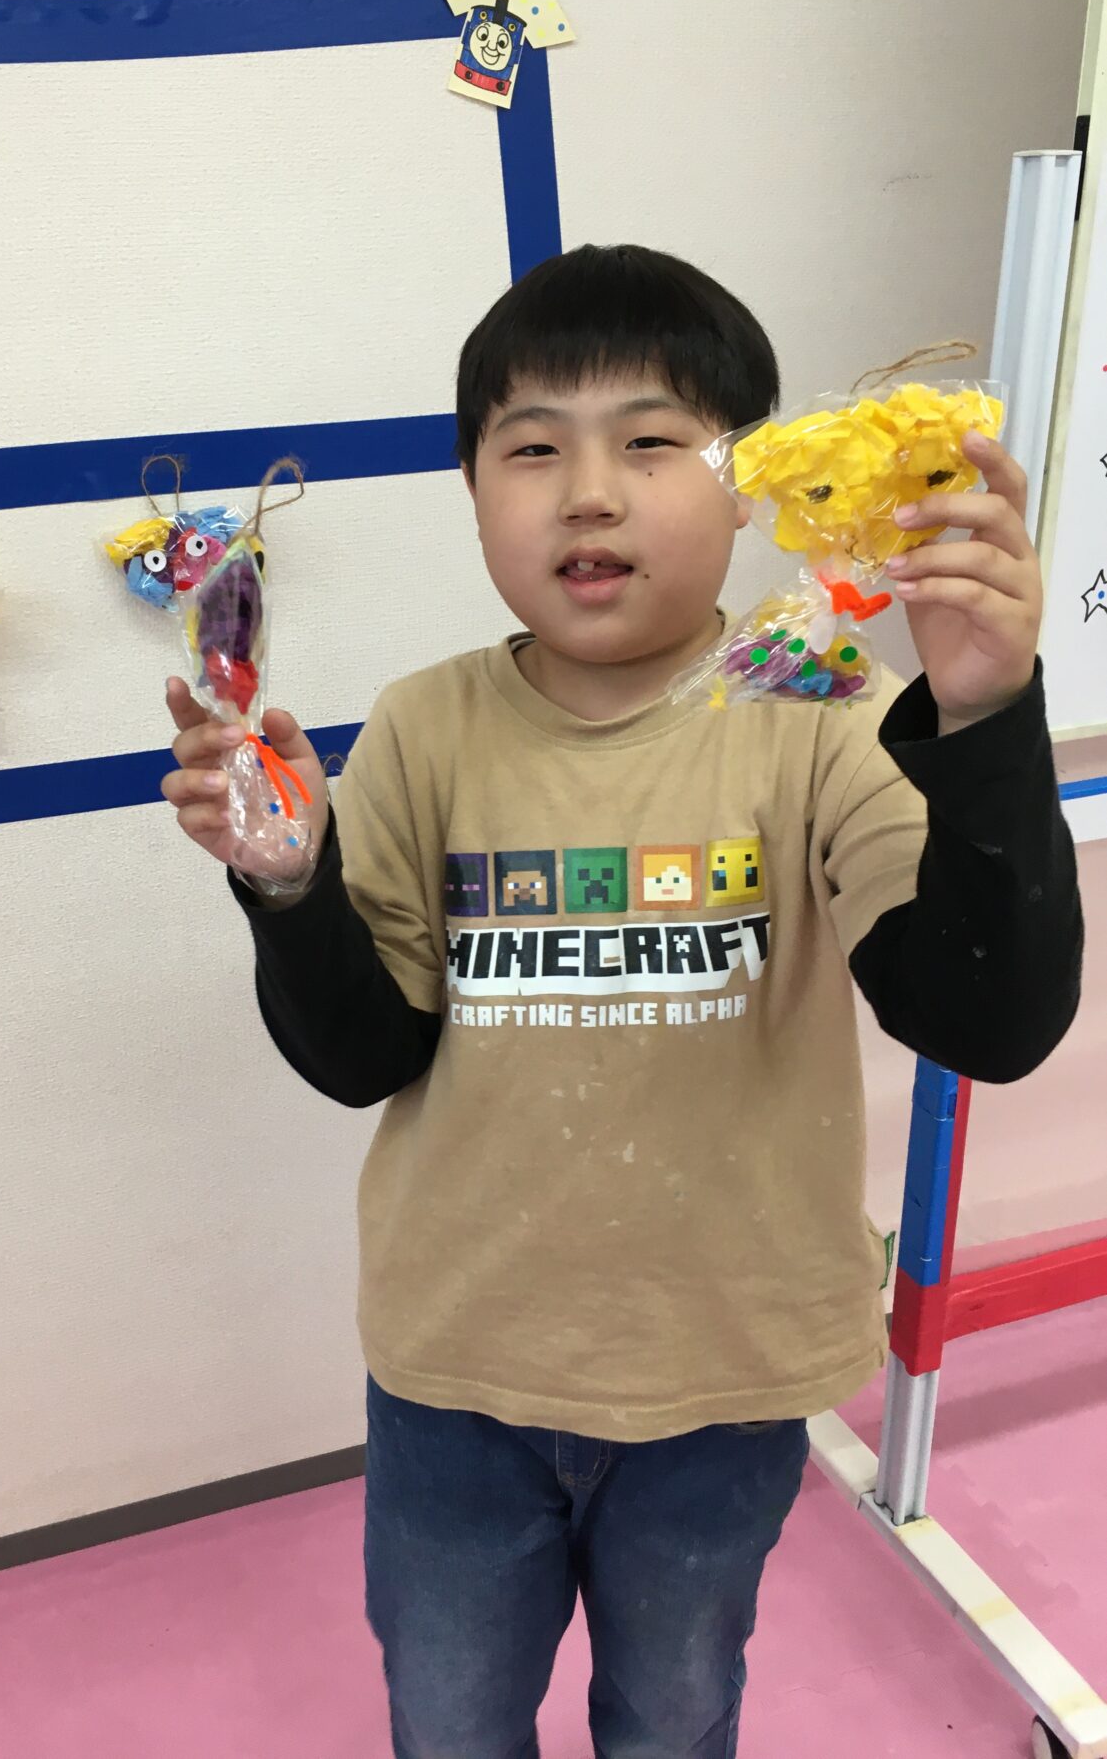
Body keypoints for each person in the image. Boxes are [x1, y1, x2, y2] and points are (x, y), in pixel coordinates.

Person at [163, 244, 1083, 1759]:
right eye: (531, 450)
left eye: (652, 441)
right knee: (453, 1722)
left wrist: (982, 712)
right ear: (473, 493)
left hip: (724, 1378)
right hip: (457, 1374)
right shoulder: (424, 727)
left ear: (751, 486)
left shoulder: (822, 717)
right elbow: (363, 1053)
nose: (587, 494)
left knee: (674, 1716)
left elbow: (989, 1020)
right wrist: (289, 887)